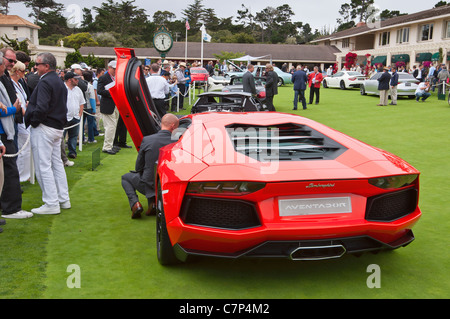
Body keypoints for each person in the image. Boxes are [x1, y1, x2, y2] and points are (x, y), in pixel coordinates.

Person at [24, 52, 71, 215]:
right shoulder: (58, 81)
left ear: (46, 66)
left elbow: (42, 107)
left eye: (37, 64)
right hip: (56, 127)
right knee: (56, 163)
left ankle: (51, 203)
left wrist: (35, 121)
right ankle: (63, 199)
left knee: (44, 166)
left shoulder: (46, 82)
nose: (35, 67)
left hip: (45, 126)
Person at [121, 114, 179, 219]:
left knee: (126, 178)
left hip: (149, 184)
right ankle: (153, 203)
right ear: (173, 126)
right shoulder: (178, 142)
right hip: (168, 185)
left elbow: (138, 167)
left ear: (162, 124)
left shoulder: (147, 140)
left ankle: (135, 204)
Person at [0, 50, 32, 220]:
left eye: (14, 61)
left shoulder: (4, 77)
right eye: (9, 61)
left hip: (9, 129)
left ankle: (9, 207)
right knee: (9, 170)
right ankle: (11, 209)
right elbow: (3, 109)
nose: (12, 64)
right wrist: (14, 109)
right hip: (5, 132)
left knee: (7, 171)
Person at [9, 61, 31, 181]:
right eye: (23, 71)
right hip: (20, 119)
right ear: (17, 71)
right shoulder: (11, 84)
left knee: (26, 147)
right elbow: (18, 102)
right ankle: (21, 175)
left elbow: (24, 99)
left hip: (24, 117)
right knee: (23, 147)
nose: (24, 73)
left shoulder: (20, 83)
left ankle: (26, 173)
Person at [98, 60, 120, 155]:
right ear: (109, 68)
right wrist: (111, 93)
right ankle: (107, 147)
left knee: (113, 126)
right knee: (110, 127)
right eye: (114, 69)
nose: (115, 71)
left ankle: (110, 145)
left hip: (116, 105)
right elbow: (100, 90)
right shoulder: (103, 78)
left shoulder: (117, 78)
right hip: (107, 105)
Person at [62, 71, 85, 160]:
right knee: (61, 138)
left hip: (75, 117)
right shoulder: (62, 88)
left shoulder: (78, 89)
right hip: (65, 118)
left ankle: (72, 152)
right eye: (75, 79)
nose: (77, 81)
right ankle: (61, 155)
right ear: (69, 80)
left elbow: (81, 102)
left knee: (74, 136)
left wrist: (80, 114)